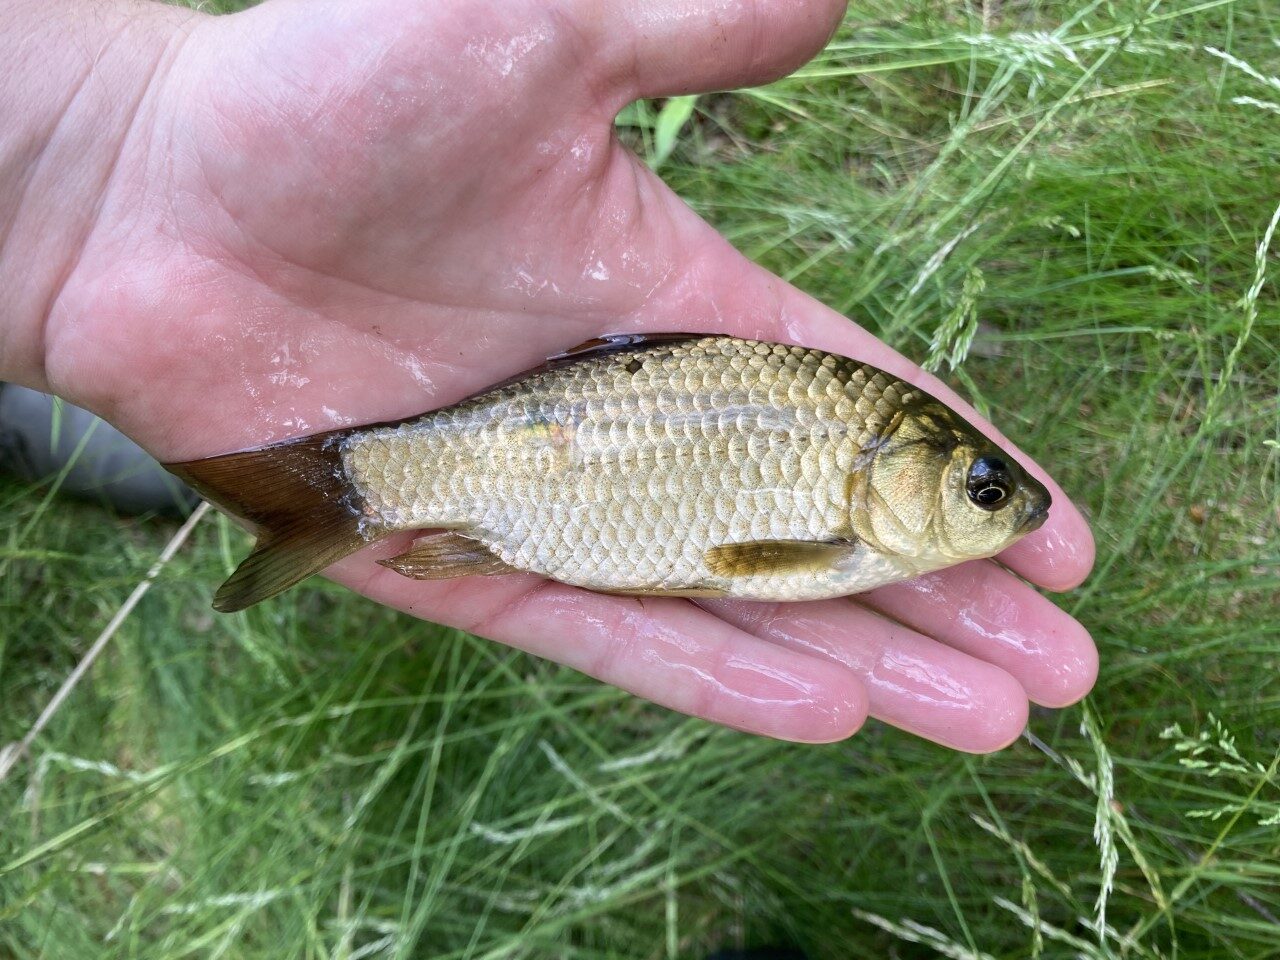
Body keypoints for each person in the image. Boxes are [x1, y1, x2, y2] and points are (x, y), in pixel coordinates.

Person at [0, 0, 1096, 751]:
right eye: (977, 490)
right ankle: (282, 485)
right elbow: (735, 560)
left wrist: (100, 144)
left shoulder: (843, 522)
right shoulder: (836, 536)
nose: (987, 505)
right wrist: (110, 140)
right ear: (893, 467)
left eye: (980, 490)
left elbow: (730, 557)